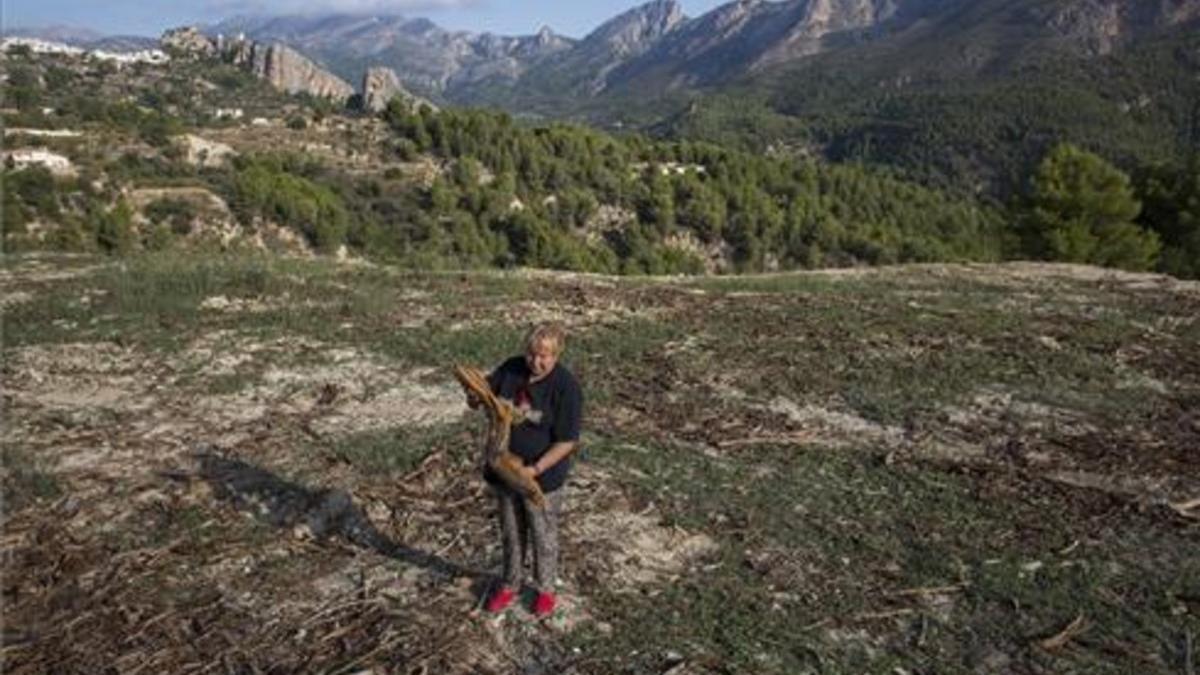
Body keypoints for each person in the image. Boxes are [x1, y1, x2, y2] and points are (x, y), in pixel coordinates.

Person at [470, 322, 582, 618]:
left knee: (542, 533)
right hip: (504, 467)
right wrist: (474, 394)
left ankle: (545, 589)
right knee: (511, 531)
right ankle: (510, 583)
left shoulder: (566, 387)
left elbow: (567, 441)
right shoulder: (512, 368)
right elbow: (486, 395)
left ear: (557, 355)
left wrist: (535, 469)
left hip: (540, 478)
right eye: (532, 354)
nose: (536, 361)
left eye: (545, 355)